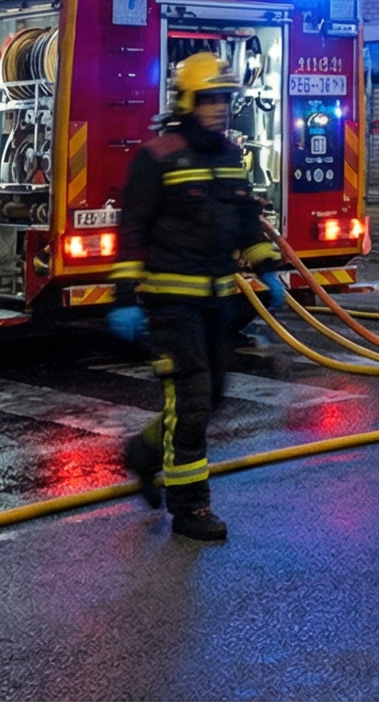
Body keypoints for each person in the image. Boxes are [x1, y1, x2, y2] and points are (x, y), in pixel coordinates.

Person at [104, 51, 282, 543]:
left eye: (225, 99)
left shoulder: (229, 156)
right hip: (170, 303)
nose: (219, 108)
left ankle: (143, 453)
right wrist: (122, 297)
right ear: (187, 101)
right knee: (194, 399)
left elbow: (246, 223)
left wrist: (270, 270)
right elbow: (132, 229)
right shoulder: (158, 157)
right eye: (209, 99)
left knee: (212, 395)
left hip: (218, 301)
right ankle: (190, 508)